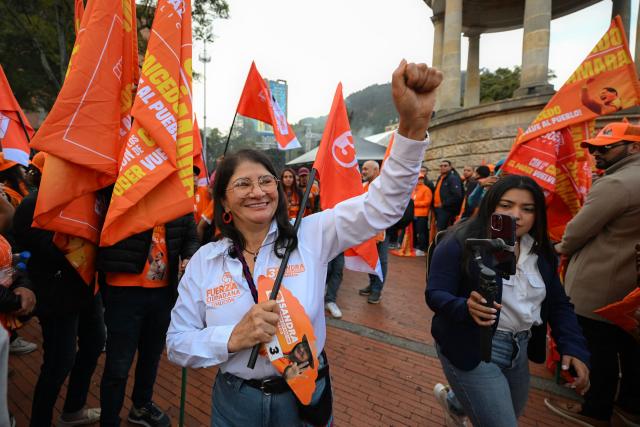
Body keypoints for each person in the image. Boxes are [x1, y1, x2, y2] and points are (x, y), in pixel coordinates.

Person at [166, 60, 441, 426]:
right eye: (243, 185)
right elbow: (177, 343)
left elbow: (384, 205)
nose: (258, 192)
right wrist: (231, 337)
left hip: (305, 398)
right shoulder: (206, 261)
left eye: (266, 181)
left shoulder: (312, 234)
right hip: (236, 403)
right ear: (224, 202)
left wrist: (412, 127)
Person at [427, 174, 590, 427]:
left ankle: (455, 401)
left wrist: (573, 346)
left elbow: (558, 304)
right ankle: (462, 396)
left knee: (509, 414)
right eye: (506, 205)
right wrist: (465, 307)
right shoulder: (458, 242)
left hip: (519, 349)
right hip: (471, 345)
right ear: (491, 205)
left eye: (527, 209)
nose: (516, 215)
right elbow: (435, 293)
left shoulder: (541, 251)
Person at [546, 121, 640, 427]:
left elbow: (577, 232)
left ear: (633, 147)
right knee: (625, 348)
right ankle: (628, 405)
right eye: (594, 148)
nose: (597, 154)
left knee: (598, 348)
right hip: (627, 283)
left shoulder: (617, 183)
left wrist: (559, 246)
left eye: (606, 148)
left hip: (600, 281)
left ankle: (595, 410)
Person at [13, 164, 104, 427]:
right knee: (59, 361)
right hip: (55, 296)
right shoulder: (32, 205)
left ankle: (73, 410)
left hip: (87, 290)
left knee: (94, 343)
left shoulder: (91, 200)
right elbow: (29, 251)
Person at [97, 209, 198, 427]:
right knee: (118, 364)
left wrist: (190, 257)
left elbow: (190, 236)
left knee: (151, 356)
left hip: (163, 293)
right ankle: (109, 420)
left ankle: (141, 406)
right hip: (124, 290)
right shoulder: (122, 190)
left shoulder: (178, 199)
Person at [357, 160, 388, 304]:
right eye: (362, 169)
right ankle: (372, 284)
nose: (363, 172)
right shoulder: (364, 186)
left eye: (366, 169)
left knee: (380, 261)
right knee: (370, 260)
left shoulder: (382, 187)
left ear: (376, 170)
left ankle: (377, 290)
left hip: (379, 231)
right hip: (365, 231)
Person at [433, 160, 463, 231]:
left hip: (446, 210)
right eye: (441, 166)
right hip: (438, 209)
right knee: (439, 230)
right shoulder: (440, 178)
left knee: (442, 231)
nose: (443, 167)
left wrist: (444, 204)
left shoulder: (453, 178)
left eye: (445, 166)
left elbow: (457, 195)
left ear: (450, 167)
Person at [412, 169, 432, 256]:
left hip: (422, 214)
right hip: (414, 214)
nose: (419, 180)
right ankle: (416, 247)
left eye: (421, 178)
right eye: (418, 178)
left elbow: (427, 202)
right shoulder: (414, 189)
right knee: (415, 231)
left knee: (421, 232)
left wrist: (414, 204)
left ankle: (422, 248)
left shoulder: (426, 189)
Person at [324, 253, 344, 318]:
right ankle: (318, 296)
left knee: (338, 269)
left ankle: (330, 300)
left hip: (339, 247)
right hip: (323, 246)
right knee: (326, 268)